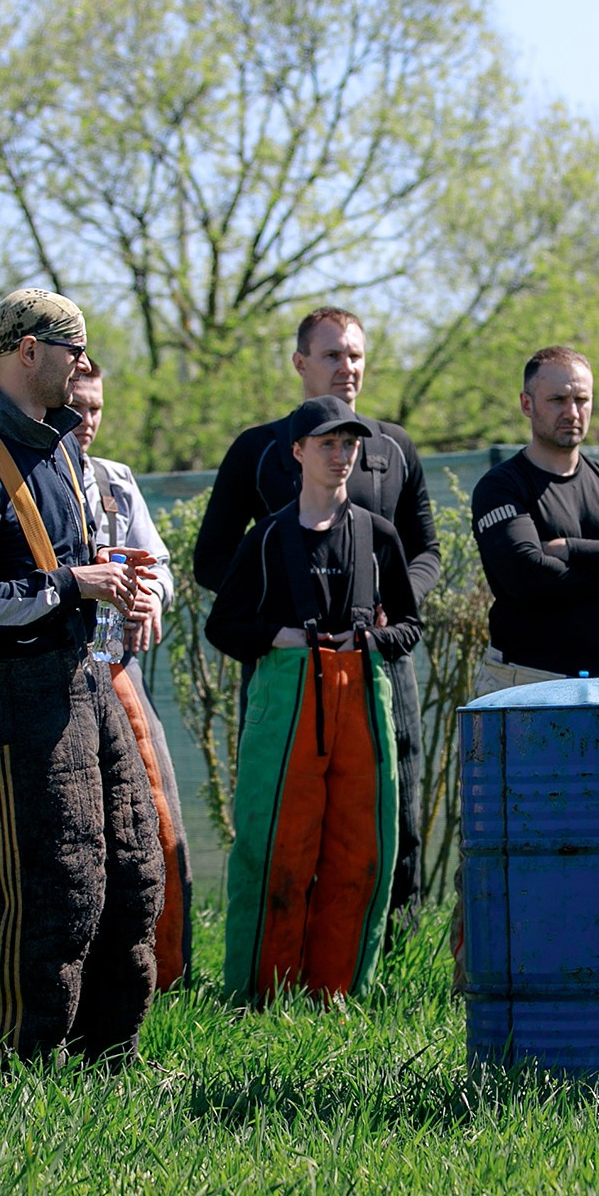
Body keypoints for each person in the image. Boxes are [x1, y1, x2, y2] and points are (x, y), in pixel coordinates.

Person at [0, 288, 162, 1064]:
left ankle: (109, 1057)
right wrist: (72, 584)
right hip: (8, 701)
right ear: (28, 351)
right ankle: (8, 1068)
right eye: (74, 351)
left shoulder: (63, 448)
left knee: (128, 877)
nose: (84, 367)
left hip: (84, 683)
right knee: (45, 891)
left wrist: (111, 591)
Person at [192, 308, 440, 916]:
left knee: (393, 805)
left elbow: (426, 549)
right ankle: (282, 958)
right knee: (287, 810)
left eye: (355, 355)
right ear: (300, 363)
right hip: (288, 666)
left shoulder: (394, 446)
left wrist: (395, 607)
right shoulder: (259, 449)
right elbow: (211, 558)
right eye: (332, 355)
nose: (346, 367)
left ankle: (388, 954)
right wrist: (277, 616)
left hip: (377, 661)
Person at [204, 396, 422, 1006]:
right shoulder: (267, 538)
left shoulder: (378, 536)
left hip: (361, 700)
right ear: (296, 453)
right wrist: (278, 636)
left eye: (349, 444)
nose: (341, 455)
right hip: (287, 699)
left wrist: (371, 639)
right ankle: (259, 994)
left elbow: (409, 624)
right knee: (276, 849)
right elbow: (223, 626)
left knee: (361, 851)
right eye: (327, 443)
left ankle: (340, 993)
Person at [65, 357, 196, 989]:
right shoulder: (19, 476)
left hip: (121, 674)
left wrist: (153, 597)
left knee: (155, 816)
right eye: (75, 407)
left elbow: (160, 564)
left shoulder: (115, 479)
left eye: (95, 409)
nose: (86, 421)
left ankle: (162, 974)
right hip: (53, 681)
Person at [469, 346, 599, 697]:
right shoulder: (502, 486)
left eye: (582, 399)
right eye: (557, 399)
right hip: (526, 682)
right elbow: (527, 577)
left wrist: (570, 549)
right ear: (526, 404)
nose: (572, 412)